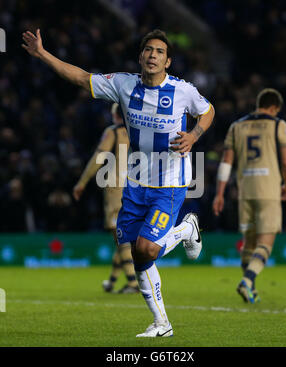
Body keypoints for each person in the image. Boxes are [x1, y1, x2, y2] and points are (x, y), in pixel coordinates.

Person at [22, 28, 215, 337]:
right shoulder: (124, 85)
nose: (153, 55)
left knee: (146, 248)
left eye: (159, 52)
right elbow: (81, 78)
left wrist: (194, 135)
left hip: (171, 181)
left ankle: (185, 229)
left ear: (168, 61)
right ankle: (161, 323)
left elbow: (207, 111)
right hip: (137, 182)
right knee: (133, 252)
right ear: (141, 56)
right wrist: (42, 54)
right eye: (148, 50)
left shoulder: (183, 90)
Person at [213, 88, 286, 303]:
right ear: (274, 107)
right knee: (265, 242)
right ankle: (248, 281)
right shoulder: (278, 124)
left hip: (245, 190)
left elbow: (226, 163)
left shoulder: (236, 126)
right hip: (268, 189)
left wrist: (219, 193)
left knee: (248, 243)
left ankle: (251, 290)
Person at [73, 102, 139, 294]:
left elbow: (98, 157)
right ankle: (112, 281)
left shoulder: (113, 132)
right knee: (122, 236)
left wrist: (82, 182)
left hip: (117, 188)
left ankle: (133, 283)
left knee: (120, 236)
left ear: (115, 115)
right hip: (138, 186)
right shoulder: (139, 131)